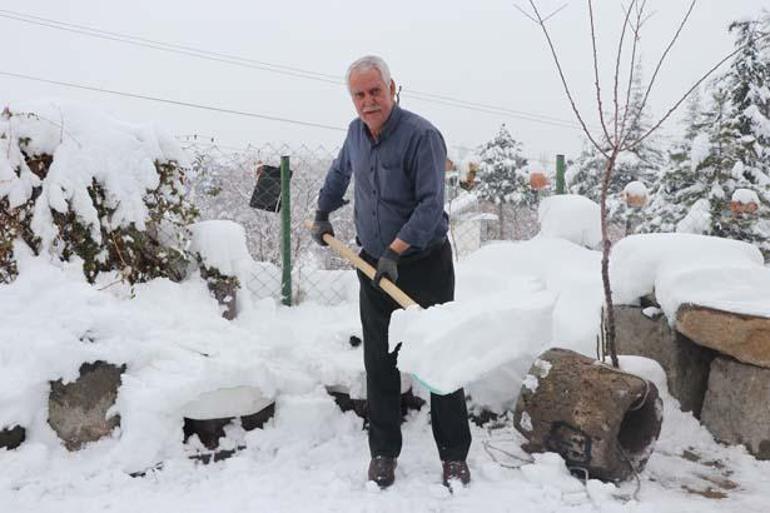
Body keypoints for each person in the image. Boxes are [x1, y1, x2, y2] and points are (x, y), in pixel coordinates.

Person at [311, 55, 471, 488]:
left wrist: (396, 252)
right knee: (379, 361)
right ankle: (383, 452)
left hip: (423, 266)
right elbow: (339, 173)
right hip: (372, 265)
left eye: (374, 91)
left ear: (392, 88)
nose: (368, 101)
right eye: (359, 95)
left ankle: (454, 454)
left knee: (439, 361)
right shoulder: (354, 135)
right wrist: (323, 212)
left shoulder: (422, 136)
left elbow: (428, 205)